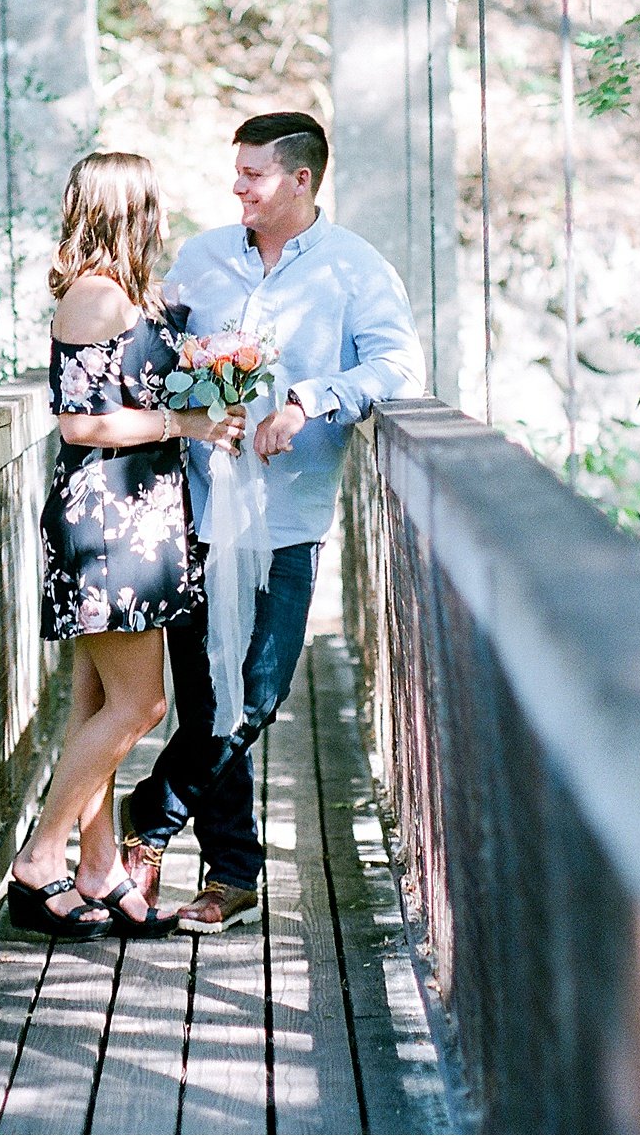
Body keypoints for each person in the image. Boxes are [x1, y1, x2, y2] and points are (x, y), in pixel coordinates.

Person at [121, 111, 424, 933]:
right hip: (191, 510)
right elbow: (149, 355)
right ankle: (230, 875)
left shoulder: (357, 270)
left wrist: (308, 399)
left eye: (253, 174)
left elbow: (398, 364)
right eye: (236, 171)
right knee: (205, 699)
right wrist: (184, 384)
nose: (237, 187)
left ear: (300, 179)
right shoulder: (201, 258)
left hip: (289, 517)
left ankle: (143, 826)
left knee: (252, 700)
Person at [6, 151, 245, 941]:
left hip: (142, 517)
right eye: (153, 202)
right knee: (142, 705)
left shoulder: (133, 295)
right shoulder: (93, 297)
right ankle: (40, 860)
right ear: (128, 209)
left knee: (97, 705)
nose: (163, 214)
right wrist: (188, 424)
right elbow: (79, 424)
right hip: (107, 521)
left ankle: (100, 868)